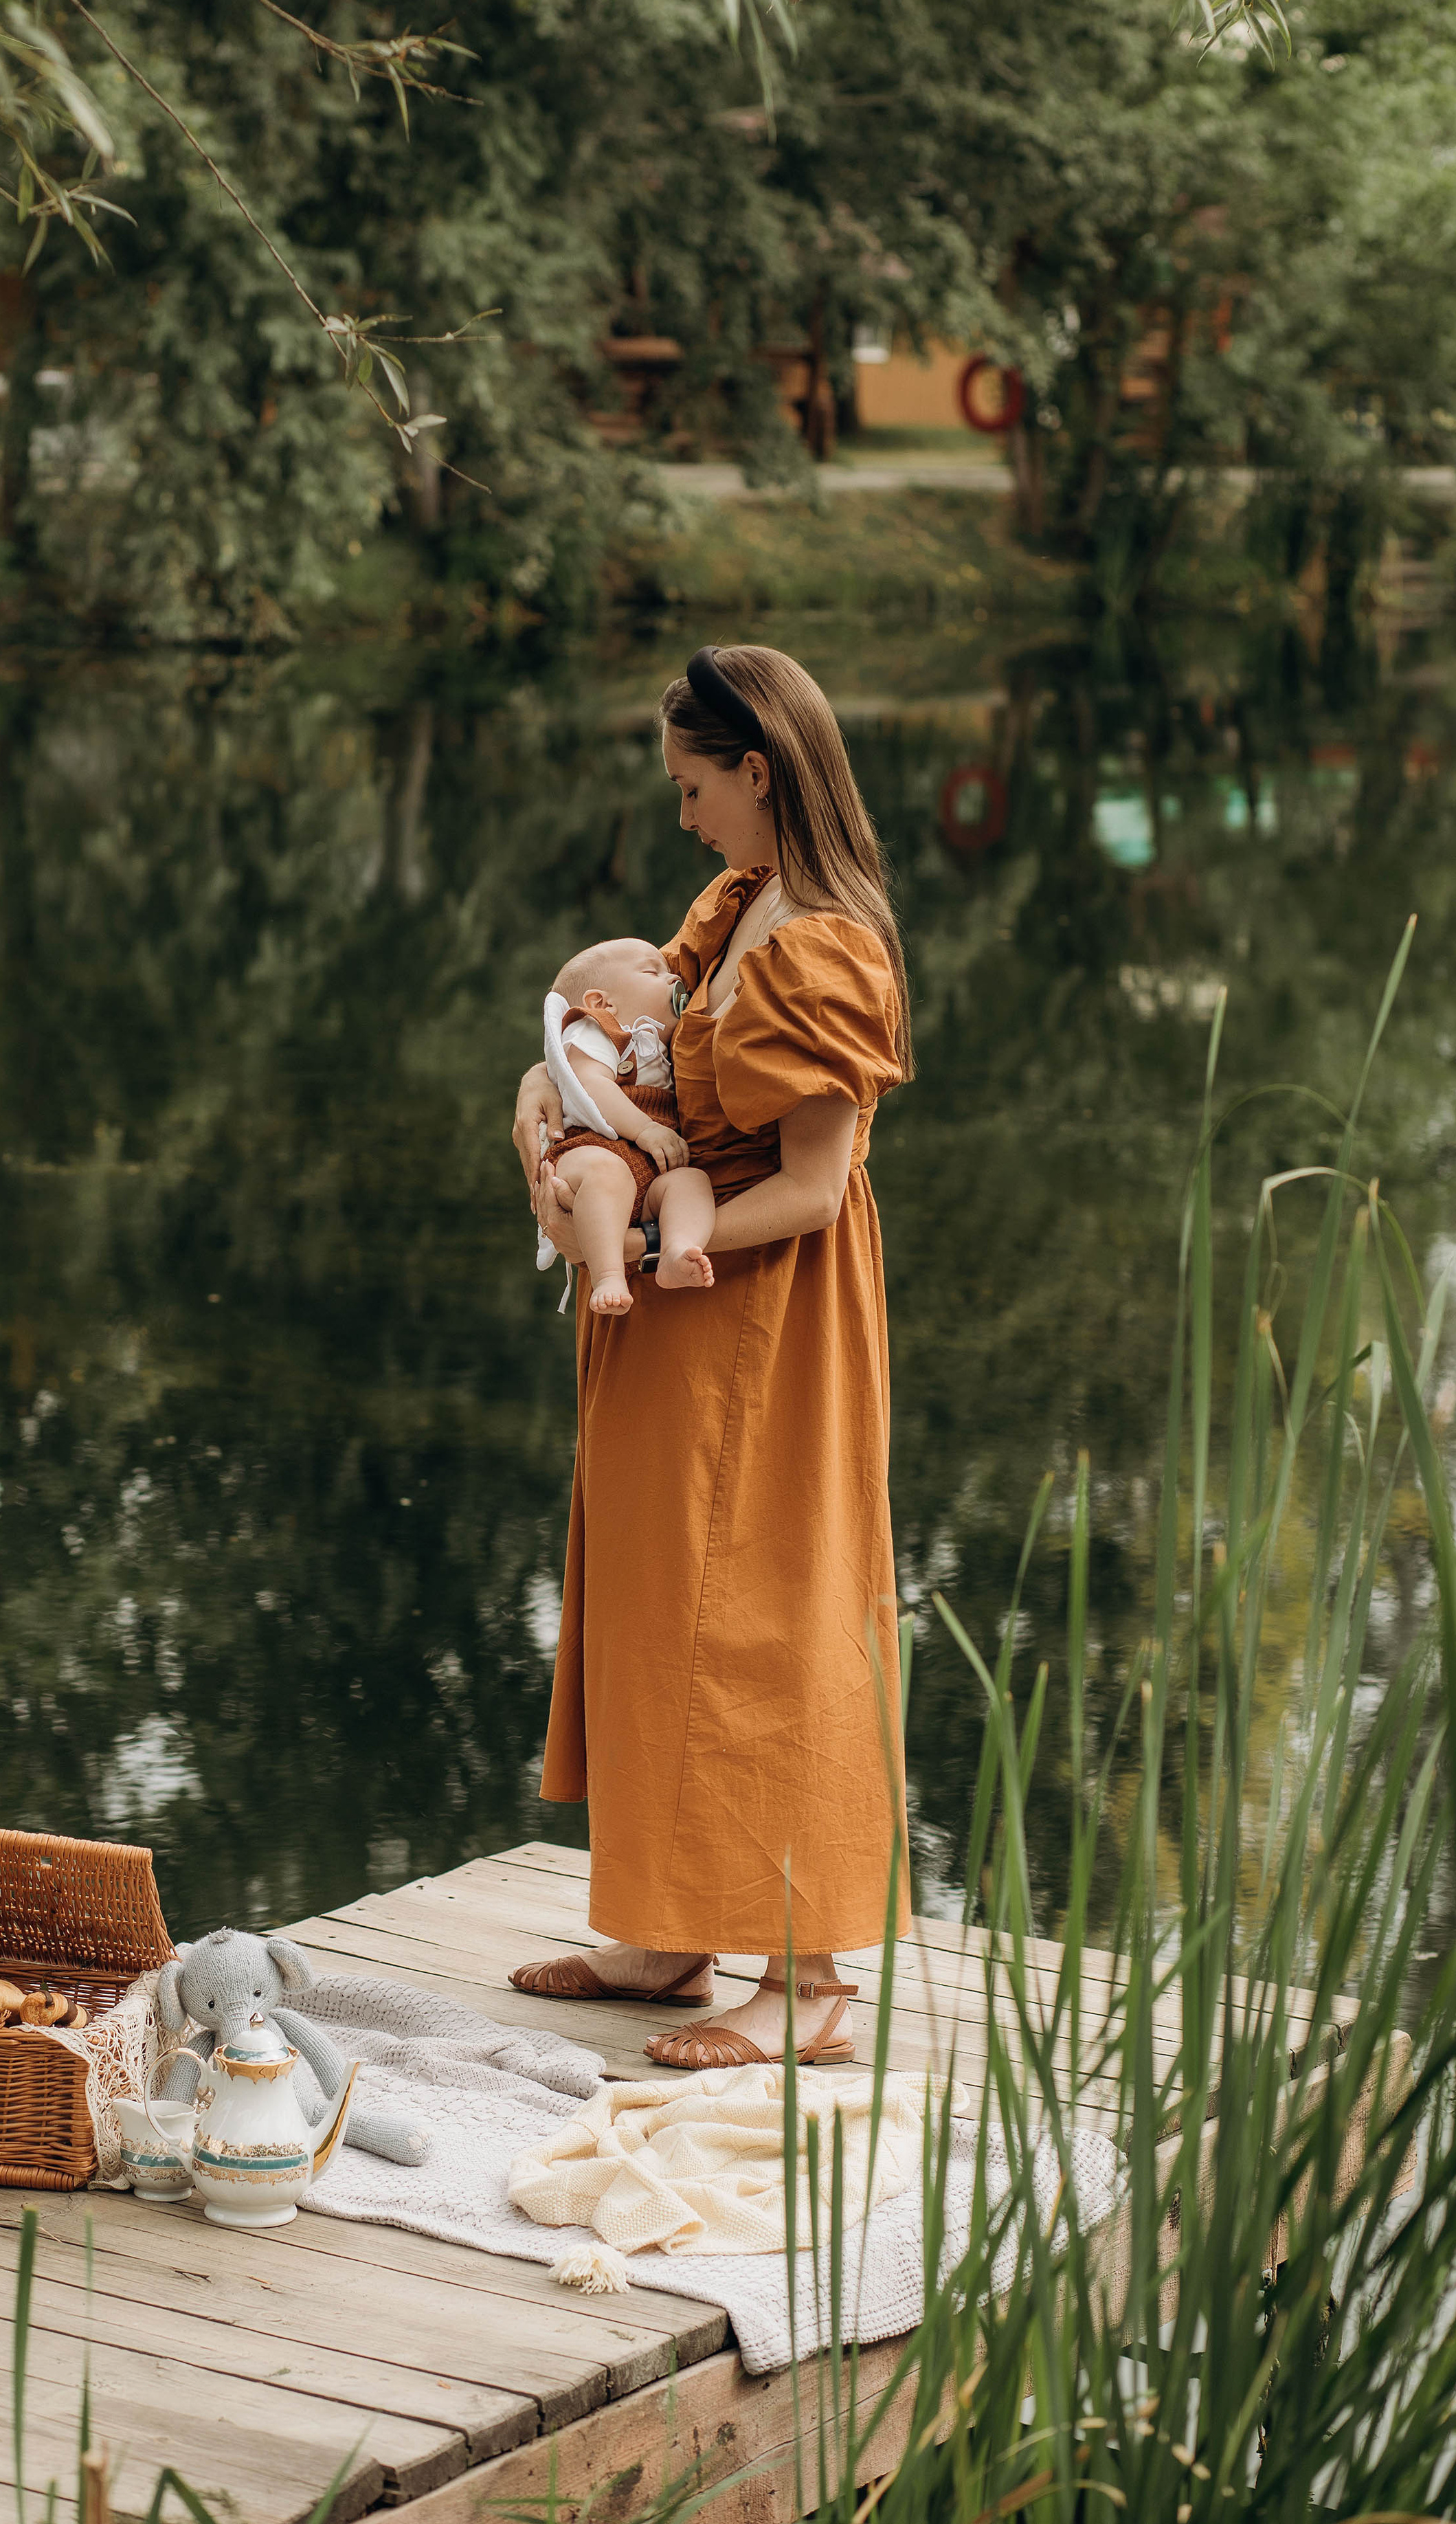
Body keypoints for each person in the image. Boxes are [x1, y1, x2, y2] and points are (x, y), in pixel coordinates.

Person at [508, 644, 913, 2070]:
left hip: (767, 1312)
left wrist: (663, 1230)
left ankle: (807, 1983)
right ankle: (672, 1934)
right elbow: (633, 1043)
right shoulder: (737, 901)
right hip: (671, 1312)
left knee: (764, 1621)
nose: (679, 817)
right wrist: (556, 1123)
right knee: (658, 1602)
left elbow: (812, 1186)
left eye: (692, 788)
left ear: (758, 771)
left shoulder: (826, 949)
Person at [538, 935, 717, 1317]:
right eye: (653, 972)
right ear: (601, 1001)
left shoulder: (658, 1045)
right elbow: (591, 1083)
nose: (673, 981)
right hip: (590, 1151)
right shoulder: (597, 1029)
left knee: (691, 1183)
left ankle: (674, 1249)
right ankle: (608, 1276)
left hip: (648, 1174)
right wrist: (646, 1130)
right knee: (609, 1174)